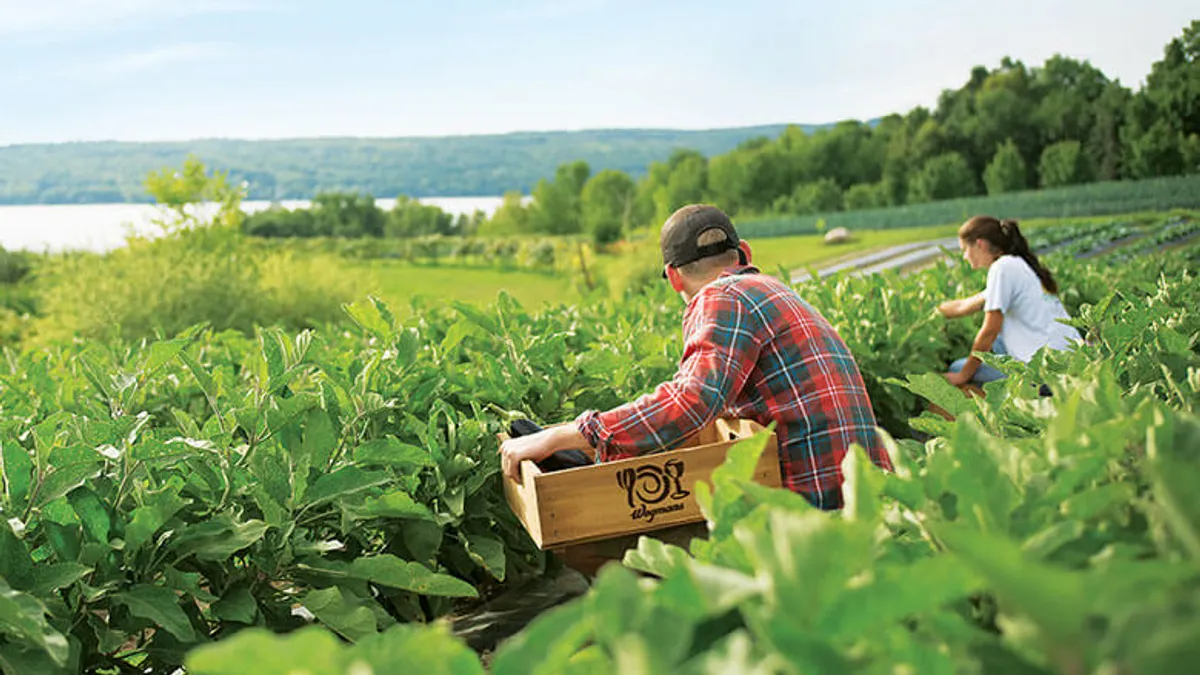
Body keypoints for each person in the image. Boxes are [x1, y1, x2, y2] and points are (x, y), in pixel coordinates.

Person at [499, 203, 892, 511]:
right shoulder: (772, 288)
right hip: (868, 492)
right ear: (744, 254)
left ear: (673, 277)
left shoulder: (721, 298)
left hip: (819, 503)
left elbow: (690, 402)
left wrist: (567, 434)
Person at [938, 215, 1082, 388]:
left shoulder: (1002, 268)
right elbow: (967, 304)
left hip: (1045, 373)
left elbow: (990, 330)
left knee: (958, 368)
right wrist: (935, 311)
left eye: (964, 250)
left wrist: (962, 375)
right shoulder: (1018, 264)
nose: (964, 257)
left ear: (980, 244)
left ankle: (1008, 410)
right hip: (1072, 359)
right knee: (1000, 342)